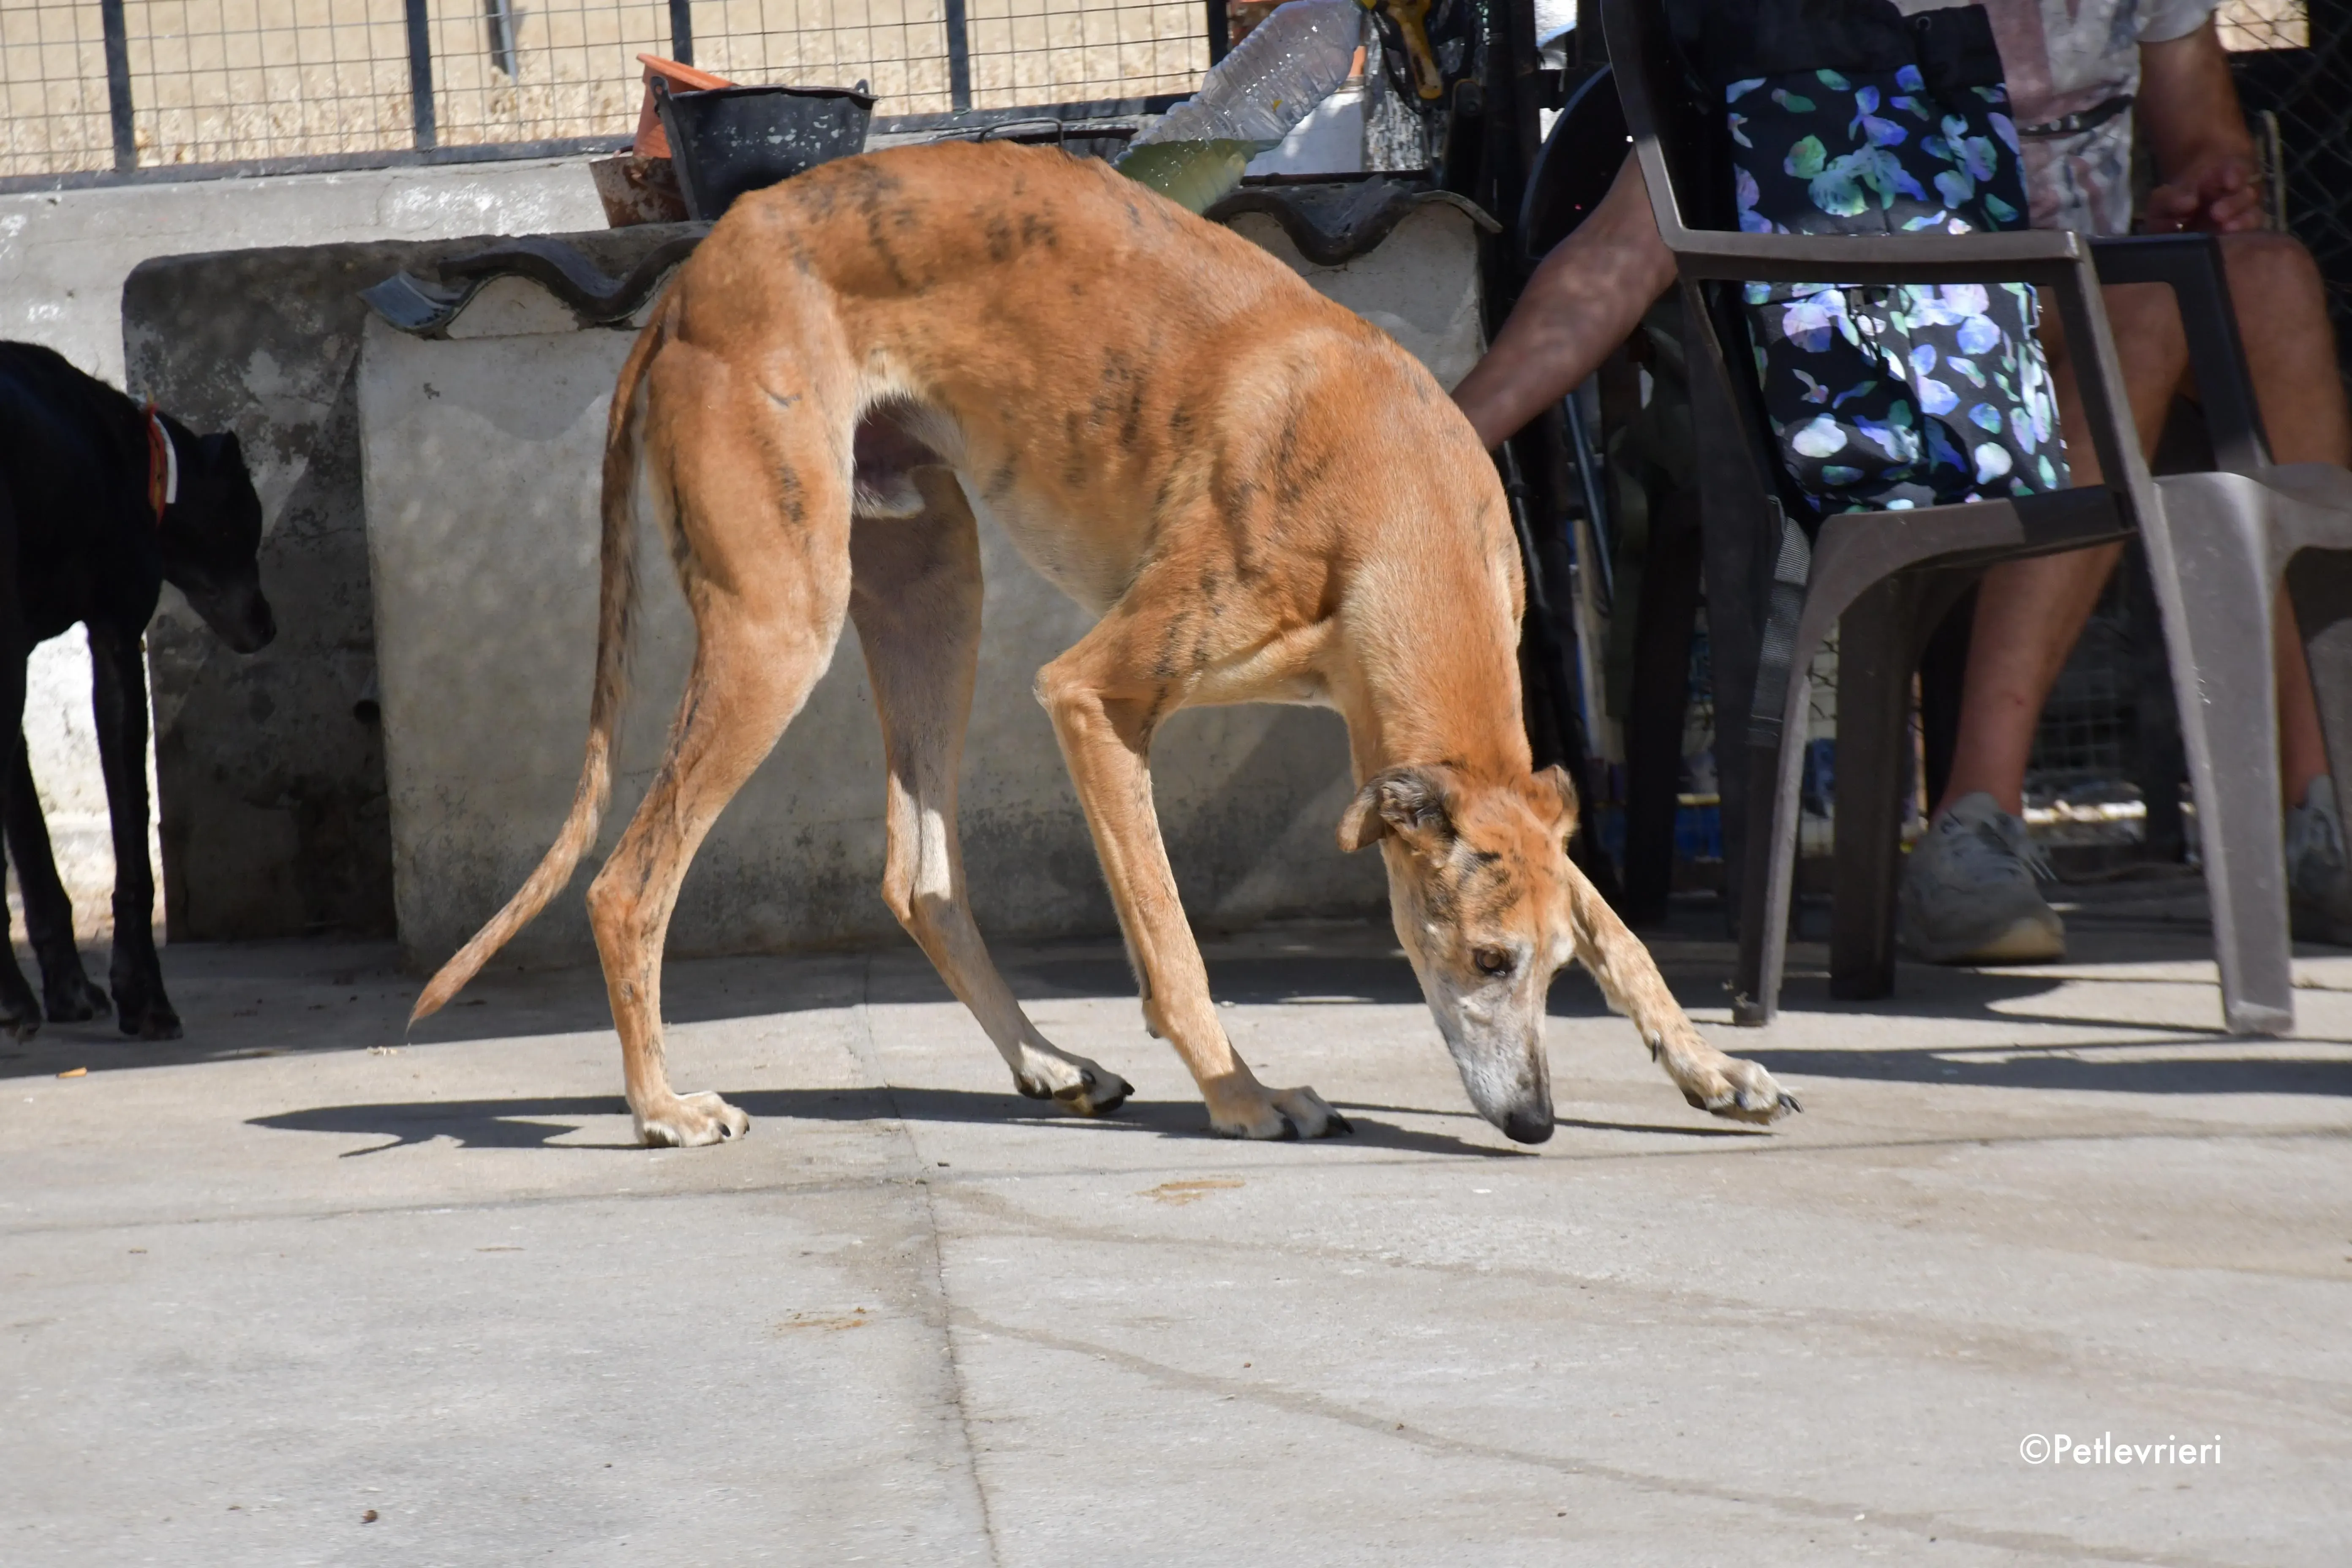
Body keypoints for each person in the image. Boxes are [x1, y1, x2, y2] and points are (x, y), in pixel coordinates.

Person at [1451, 0, 2352, 962]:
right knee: (2137, 310)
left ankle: (2327, 812)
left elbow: (2204, 145)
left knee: (2273, 277)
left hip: (2083, 318)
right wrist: (1440, 440)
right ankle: (1975, 824)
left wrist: (2212, 186)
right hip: (1904, 365)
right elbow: (1615, 257)